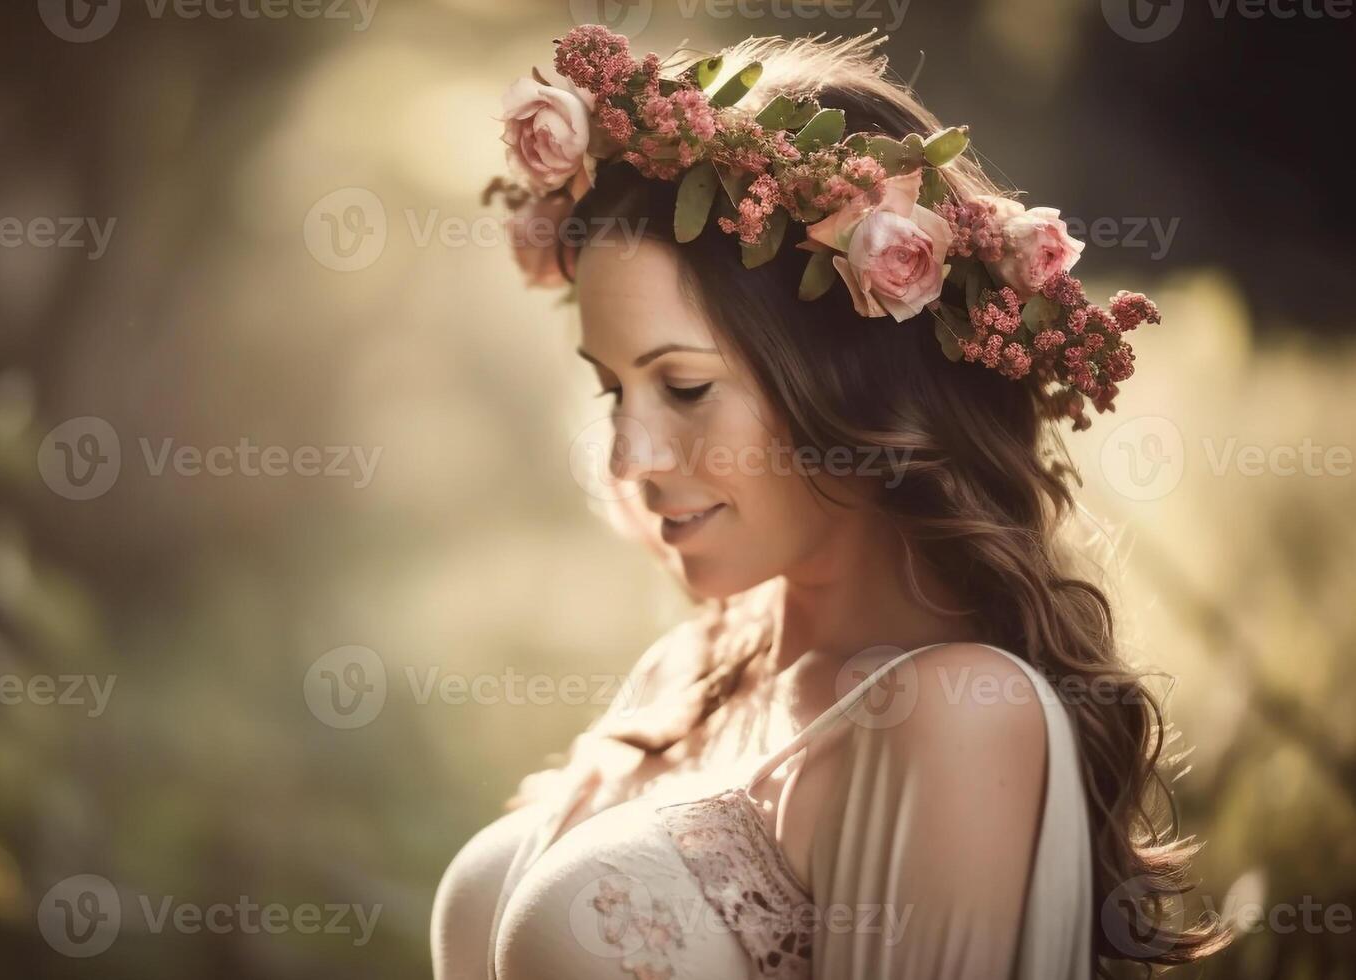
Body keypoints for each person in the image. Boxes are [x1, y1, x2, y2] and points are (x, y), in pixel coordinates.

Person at [434, 27, 1232, 980]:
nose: (628, 457)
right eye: (613, 390)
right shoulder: (682, 674)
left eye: (683, 388)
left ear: (852, 380)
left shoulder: (951, 717)